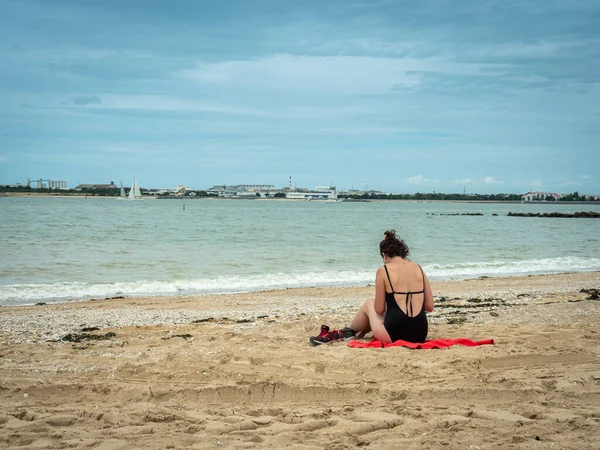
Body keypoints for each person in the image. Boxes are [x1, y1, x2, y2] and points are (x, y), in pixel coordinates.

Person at [310, 230, 434, 345]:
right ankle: (357, 332)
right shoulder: (418, 268)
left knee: (369, 303)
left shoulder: (383, 270)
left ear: (384, 255)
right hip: (420, 334)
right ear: (402, 253)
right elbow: (429, 306)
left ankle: (345, 332)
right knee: (389, 309)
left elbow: (378, 309)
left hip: (394, 335)